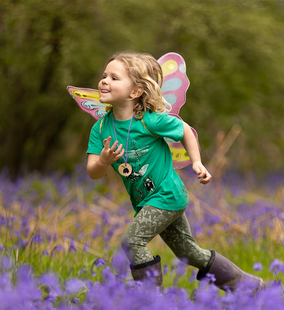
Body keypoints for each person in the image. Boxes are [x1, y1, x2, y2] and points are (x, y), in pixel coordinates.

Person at [86, 52, 264, 292]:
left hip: (167, 195)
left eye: (115, 78)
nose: (105, 80)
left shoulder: (149, 121)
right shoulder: (100, 128)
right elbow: (93, 171)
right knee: (189, 254)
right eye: (104, 75)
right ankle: (251, 287)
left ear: (135, 91)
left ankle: (151, 306)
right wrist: (104, 161)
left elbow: (185, 130)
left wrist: (197, 162)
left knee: (132, 242)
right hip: (146, 201)